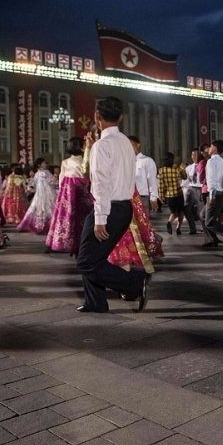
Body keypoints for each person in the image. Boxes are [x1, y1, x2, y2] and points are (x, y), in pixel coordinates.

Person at [76, 96, 149, 313]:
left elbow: (100, 184)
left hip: (109, 209)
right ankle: (95, 302)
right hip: (124, 208)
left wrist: (100, 219)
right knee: (93, 256)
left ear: (97, 117)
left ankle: (135, 283)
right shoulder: (126, 142)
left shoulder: (102, 146)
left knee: (86, 261)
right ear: (121, 117)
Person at [46, 137, 92, 254]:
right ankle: (82, 243)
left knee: (69, 218)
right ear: (81, 147)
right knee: (83, 218)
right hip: (82, 192)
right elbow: (88, 176)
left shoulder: (65, 162)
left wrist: (61, 196)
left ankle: (69, 242)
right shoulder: (86, 160)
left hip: (68, 194)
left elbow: (61, 180)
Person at [17, 158, 56, 234]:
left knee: (38, 208)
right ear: (39, 165)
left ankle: (40, 225)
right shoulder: (45, 173)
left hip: (41, 194)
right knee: (48, 208)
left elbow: (33, 184)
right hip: (47, 194)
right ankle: (48, 226)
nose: (46, 164)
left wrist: (29, 187)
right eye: (44, 163)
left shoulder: (37, 174)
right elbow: (53, 181)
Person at [128, 135, 159, 214]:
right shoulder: (126, 162)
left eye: (131, 144)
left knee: (142, 224)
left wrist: (153, 198)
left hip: (142, 198)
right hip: (128, 199)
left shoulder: (147, 161)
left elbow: (152, 180)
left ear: (138, 145)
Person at [158, 152, 185, 235]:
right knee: (180, 212)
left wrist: (161, 196)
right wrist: (182, 168)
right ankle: (178, 228)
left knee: (173, 212)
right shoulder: (176, 168)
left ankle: (169, 222)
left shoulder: (161, 170)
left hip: (169, 196)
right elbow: (185, 177)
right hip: (179, 194)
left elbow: (161, 185)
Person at [183, 148, 204, 235]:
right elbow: (186, 180)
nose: (194, 156)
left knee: (201, 210)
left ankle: (204, 228)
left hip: (200, 188)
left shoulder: (203, 166)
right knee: (186, 208)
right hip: (190, 189)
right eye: (193, 155)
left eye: (196, 155)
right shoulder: (188, 168)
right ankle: (192, 228)